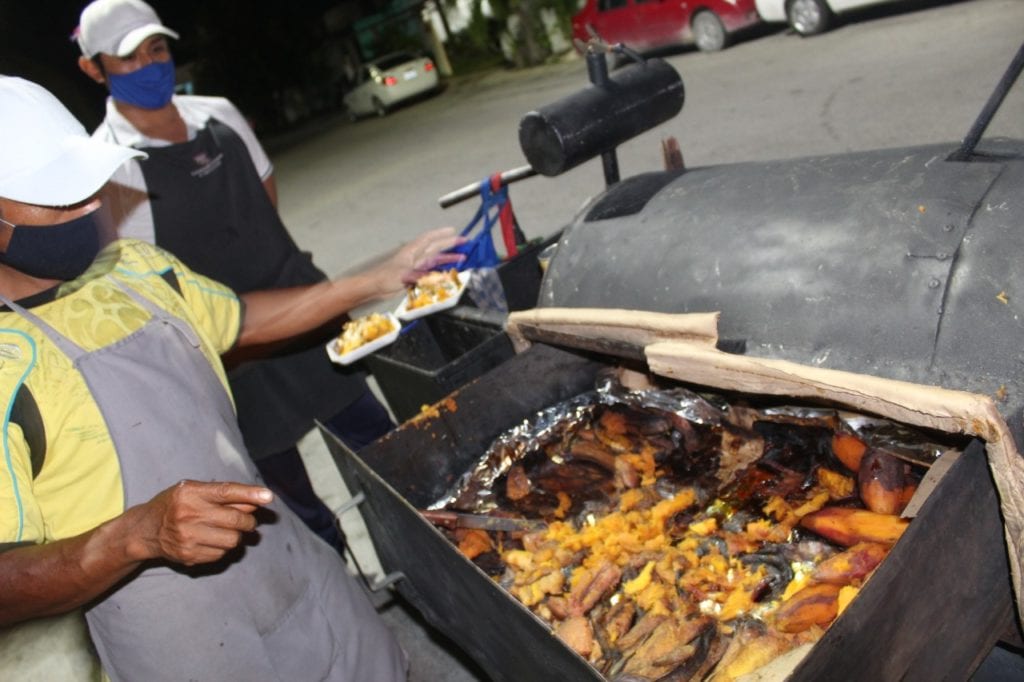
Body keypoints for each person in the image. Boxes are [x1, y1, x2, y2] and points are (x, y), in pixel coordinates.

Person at [0, 74, 462, 681]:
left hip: (283, 558)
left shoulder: (137, 269)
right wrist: (135, 535)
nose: (91, 207)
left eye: (90, 185)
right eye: (60, 197)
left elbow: (243, 320)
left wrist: (376, 278)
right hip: (177, 638)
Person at [74, 0, 392, 554]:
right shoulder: (110, 164)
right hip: (231, 356)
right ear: (93, 69)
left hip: (304, 319)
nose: (150, 66)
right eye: (128, 58)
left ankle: (428, 556)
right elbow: (146, 285)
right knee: (288, 504)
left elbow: (263, 200)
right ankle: (343, 578)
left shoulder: (217, 114)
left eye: (157, 49)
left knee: (382, 446)